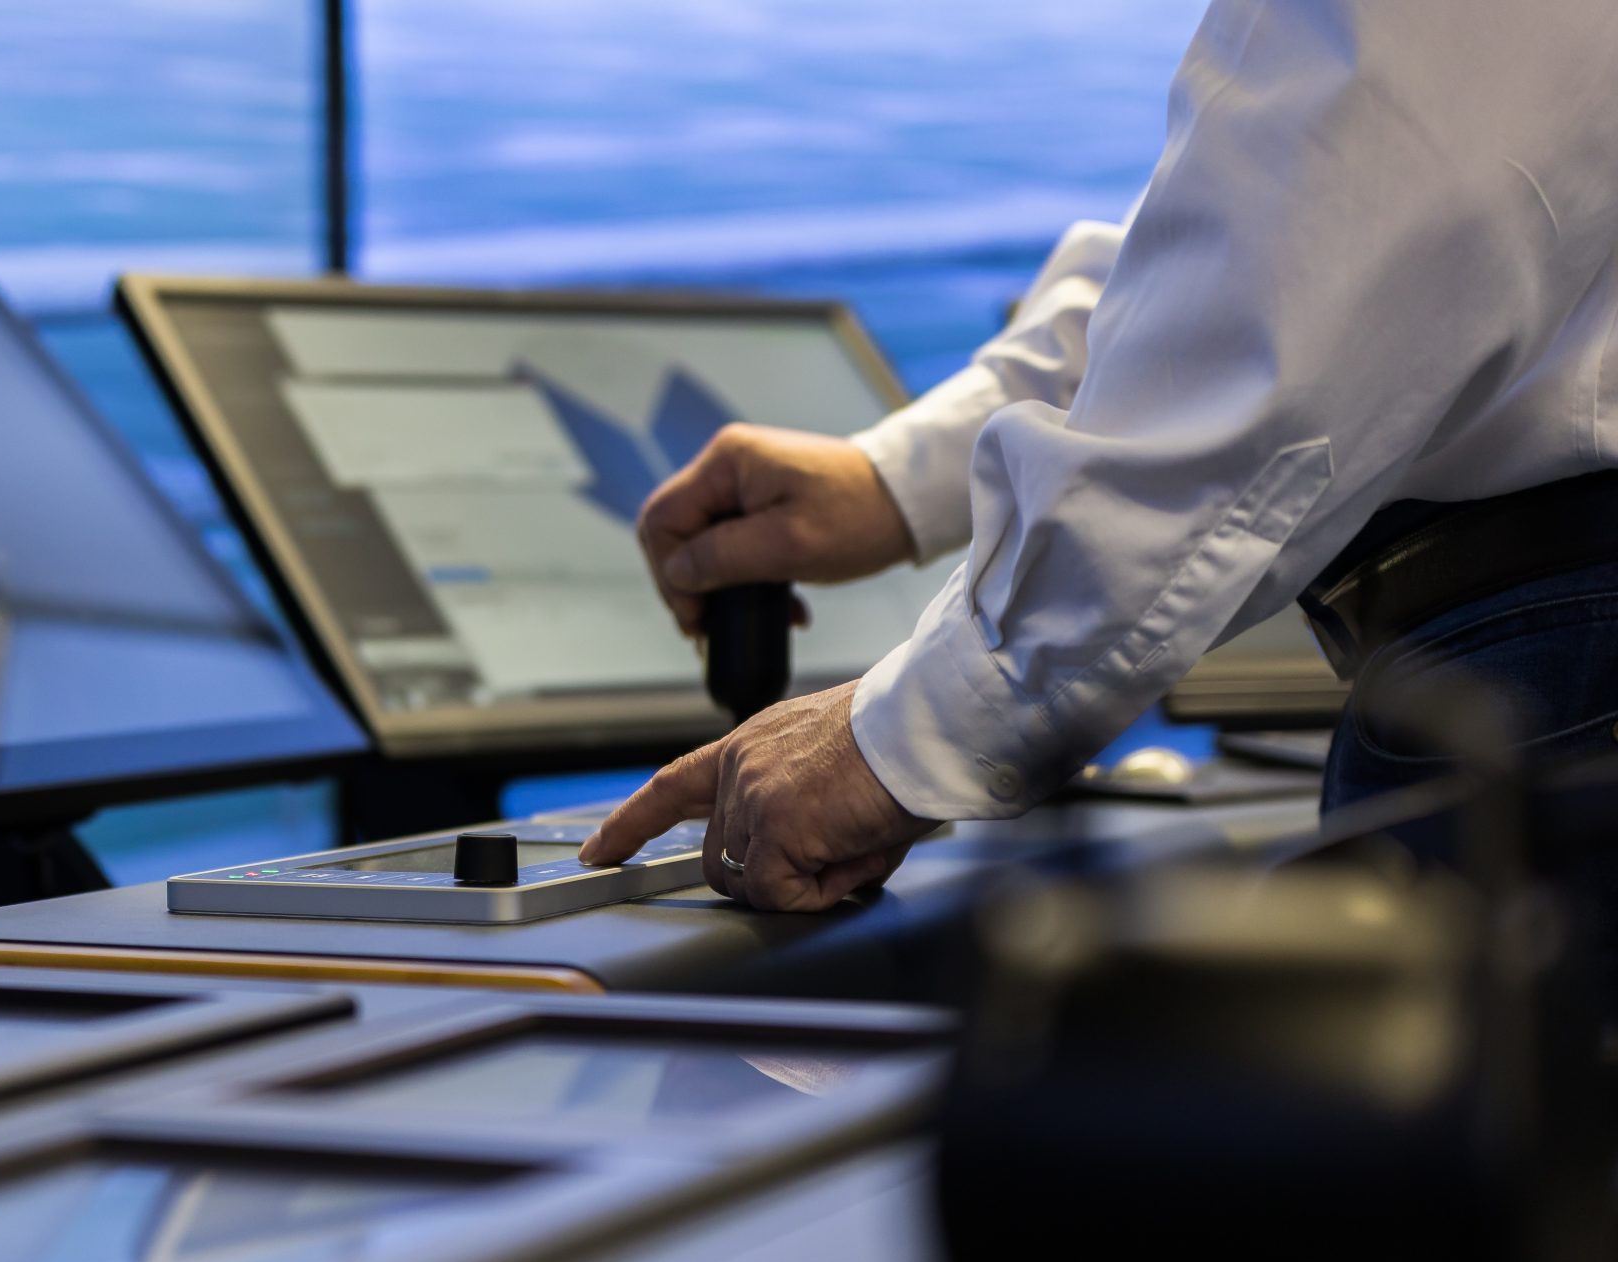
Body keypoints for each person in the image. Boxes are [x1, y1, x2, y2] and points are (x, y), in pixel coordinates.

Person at [578, 0, 1618, 911]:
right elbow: (1270, 233)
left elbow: (1350, 248)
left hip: (1562, 680)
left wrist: (904, 734)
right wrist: (903, 479)